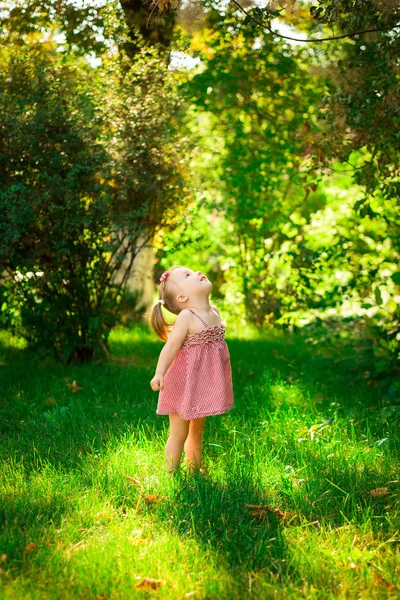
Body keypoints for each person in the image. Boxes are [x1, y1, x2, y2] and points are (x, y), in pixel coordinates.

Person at [147, 265, 234, 475]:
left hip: (202, 384)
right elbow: (171, 347)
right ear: (182, 297)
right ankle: (171, 474)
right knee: (179, 432)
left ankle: (193, 470)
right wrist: (159, 373)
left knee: (197, 430)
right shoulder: (187, 316)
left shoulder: (214, 311)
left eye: (193, 271)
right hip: (182, 382)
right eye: (187, 275)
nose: (196, 273)